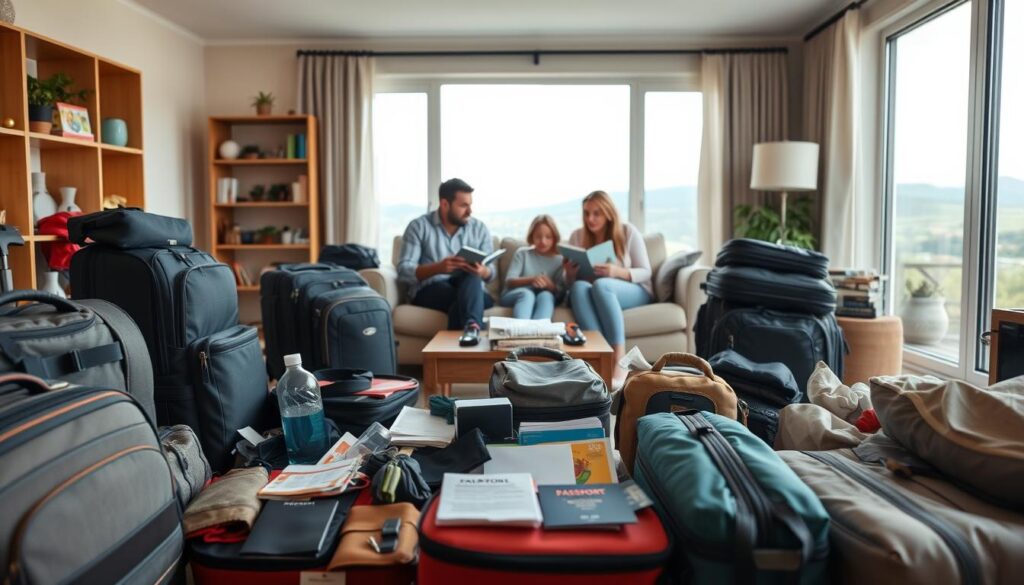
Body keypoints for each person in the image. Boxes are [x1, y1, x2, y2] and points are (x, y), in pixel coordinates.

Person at [565, 190, 653, 385]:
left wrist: (617, 272)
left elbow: (646, 272)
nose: (590, 219)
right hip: (594, 289)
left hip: (635, 290)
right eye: (587, 213)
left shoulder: (627, 232)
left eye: (597, 213)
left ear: (608, 213)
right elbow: (570, 284)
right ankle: (600, 358)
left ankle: (621, 359)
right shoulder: (577, 236)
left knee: (602, 284)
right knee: (579, 287)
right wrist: (570, 273)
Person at [397, 178, 494, 344]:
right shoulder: (418, 227)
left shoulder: (479, 228)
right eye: (463, 205)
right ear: (444, 204)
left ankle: (467, 334)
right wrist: (438, 268)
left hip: (470, 287)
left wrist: (483, 271)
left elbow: (491, 272)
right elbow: (404, 271)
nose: (470, 211)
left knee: (470, 281)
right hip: (431, 290)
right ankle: (473, 327)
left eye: (470, 205)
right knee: (468, 299)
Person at [500, 215, 565, 320]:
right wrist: (532, 280)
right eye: (538, 237)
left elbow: (559, 294)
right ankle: (521, 332)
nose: (543, 241)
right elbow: (509, 281)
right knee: (527, 294)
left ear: (554, 238)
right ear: (532, 237)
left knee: (546, 296)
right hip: (515, 295)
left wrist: (550, 285)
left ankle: (540, 331)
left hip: (544, 295)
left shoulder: (560, 260)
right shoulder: (522, 254)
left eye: (548, 237)